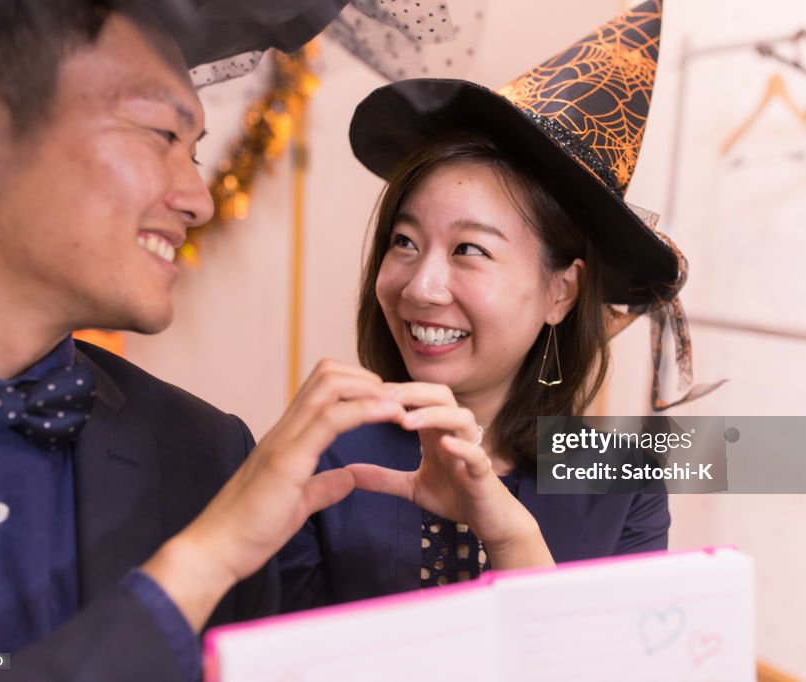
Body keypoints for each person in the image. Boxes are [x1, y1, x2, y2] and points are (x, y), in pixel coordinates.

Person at [0, 1, 422, 680]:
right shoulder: (233, 510)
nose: (199, 198)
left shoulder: (208, 454)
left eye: (195, 151)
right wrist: (202, 561)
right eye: (161, 133)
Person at [277, 0, 718, 612]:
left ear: (559, 291)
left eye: (468, 249)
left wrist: (511, 538)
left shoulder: (621, 483)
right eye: (404, 241)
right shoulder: (327, 453)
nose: (421, 287)